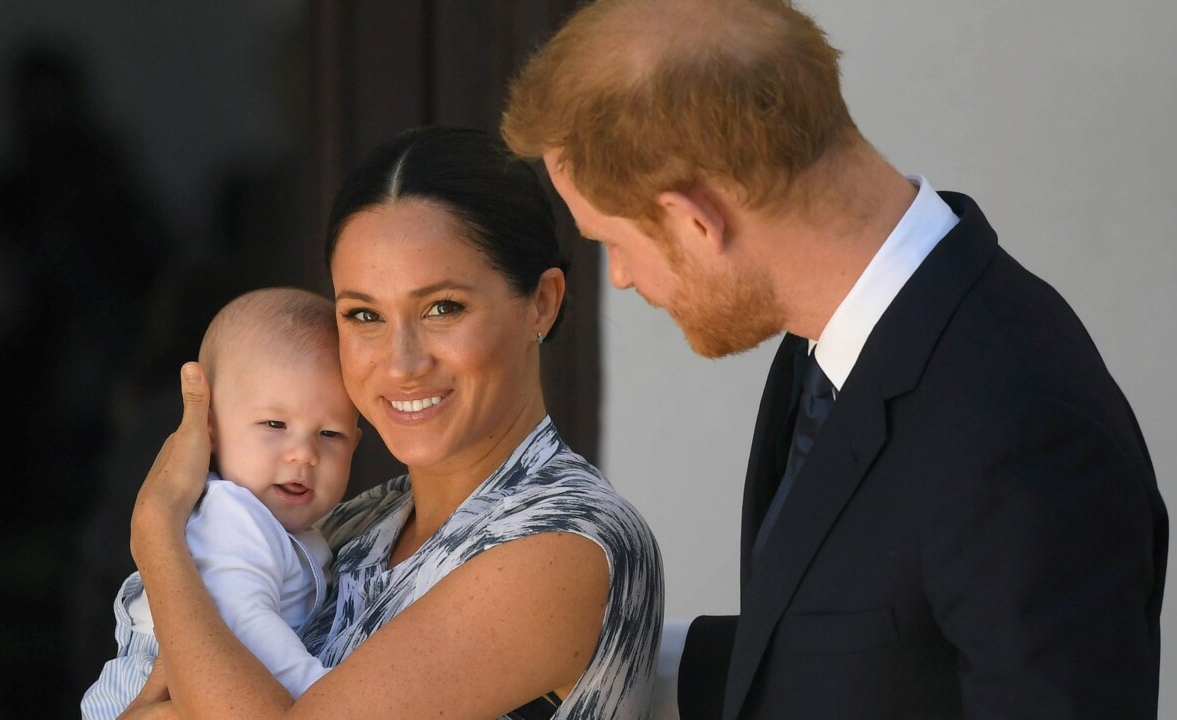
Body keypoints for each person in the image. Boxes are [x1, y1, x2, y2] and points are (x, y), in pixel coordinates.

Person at [501, 1, 1167, 718]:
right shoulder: (831, 343)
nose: (624, 276)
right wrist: (581, 648)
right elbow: (866, 655)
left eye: (612, 242)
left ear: (698, 221)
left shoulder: (1022, 431)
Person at [120, 126, 663, 720]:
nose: (402, 364)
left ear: (543, 302)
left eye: (442, 308)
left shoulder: (566, 541)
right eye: (363, 314)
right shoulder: (353, 525)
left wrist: (156, 533)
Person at [82, 287, 360, 718]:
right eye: (274, 424)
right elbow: (245, 624)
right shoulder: (232, 515)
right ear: (209, 429)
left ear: (356, 443)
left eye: (330, 434)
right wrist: (322, 695)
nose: (303, 453)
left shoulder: (288, 527)